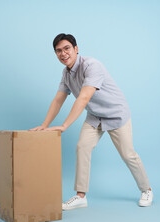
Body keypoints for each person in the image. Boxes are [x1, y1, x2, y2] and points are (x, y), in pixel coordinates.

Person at [29, 33, 153, 210]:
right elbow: (58, 99)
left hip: (115, 113)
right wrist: (44, 125)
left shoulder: (92, 65)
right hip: (95, 116)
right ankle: (81, 196)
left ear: (76, 49)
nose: (63, 53)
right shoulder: (66, 73)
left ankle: (146, 189)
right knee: (82, 147)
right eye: (58, 51)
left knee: (128, 154)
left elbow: (84, 97)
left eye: (67, 49)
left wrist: (64, 126)